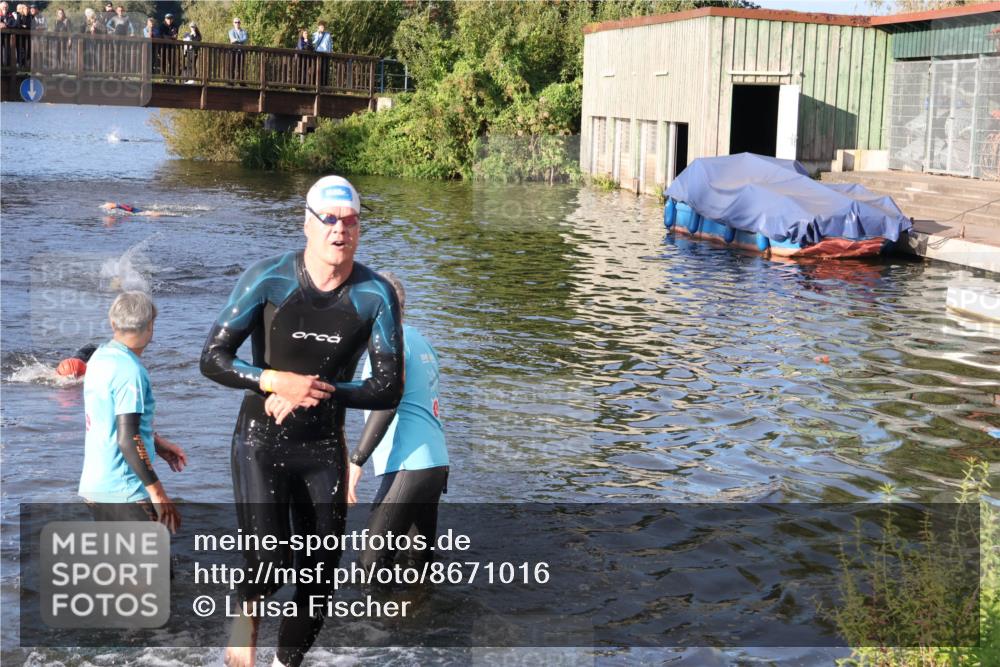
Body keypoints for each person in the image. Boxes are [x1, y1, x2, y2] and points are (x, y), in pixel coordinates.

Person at [200, 175, 403, 667]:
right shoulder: (268, 279)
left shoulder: (375, 295)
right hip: (259, 442)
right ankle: (246, 611)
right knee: (270, 566)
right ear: (308, 223)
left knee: (318, 577)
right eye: (330, 220)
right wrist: (273, 380)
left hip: (321, 449)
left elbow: (387, 387)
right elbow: (212, 358)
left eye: (351, 221)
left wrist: (309, 389)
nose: (341, 231)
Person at [347, 273, 450, 578]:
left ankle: (375, 627)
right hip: (435, 466)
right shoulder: (419, 340)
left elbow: (388, 403)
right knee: (416, 568)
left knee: (370, 567)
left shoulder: (389, 343)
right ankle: (415, 621)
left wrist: (356, 461)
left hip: (409, 464)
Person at [79, 292, 186, 533]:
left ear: (112, 321)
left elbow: (111, 418)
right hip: (124, 490)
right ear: (150, 327)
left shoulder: (100, 357)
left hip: (95, 486)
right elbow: (128, 439)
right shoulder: (130, 371)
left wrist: (155, 442)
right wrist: (159, 495)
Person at [227, 16, 246, 82]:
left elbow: (245, 39)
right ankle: (231, 81)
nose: (237, 23)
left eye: (238, 22)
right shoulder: (231, 31)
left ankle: (241, 81)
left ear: (240, 23)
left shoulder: (243, 32)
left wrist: (236, 40)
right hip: (233, 51)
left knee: (241, 67)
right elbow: (232, 39)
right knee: (232, 66)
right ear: (233, 23)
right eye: (236, 22)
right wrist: (239, 41)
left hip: (241, 51)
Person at [312, 20, 331, 86]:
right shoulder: (315, 34)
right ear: (318, 27)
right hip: (317, 54)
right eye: (321, 27)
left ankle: (324, 85)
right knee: (317, 70)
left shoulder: (328, 35)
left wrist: (330, 53)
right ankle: (315, 84)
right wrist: (318, 34)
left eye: (323, 27)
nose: (322, 28)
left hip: (325, 54)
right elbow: (314, 43)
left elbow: (330, 45)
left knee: (325, 70)